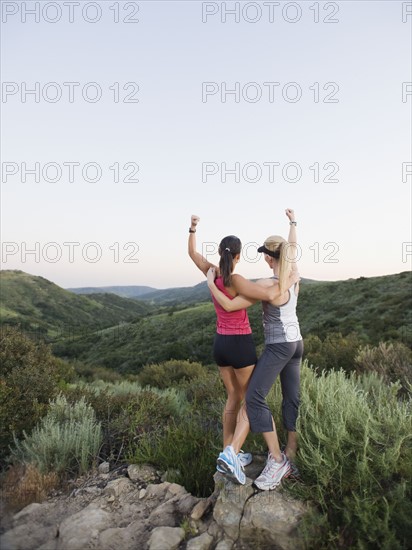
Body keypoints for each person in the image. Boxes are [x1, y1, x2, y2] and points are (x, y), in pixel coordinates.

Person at [188, 215, 297, 484]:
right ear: (237, 256)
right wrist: (291, 274)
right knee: (252, 398)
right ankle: (233, 453)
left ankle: (230, 449)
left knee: (232, 397)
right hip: (241, 345)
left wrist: (193, 228)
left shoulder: (212, 271)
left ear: (220, 253)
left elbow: (192, 253)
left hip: (220, 345)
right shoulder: (237, 280)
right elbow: (271, 293)